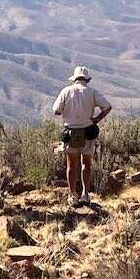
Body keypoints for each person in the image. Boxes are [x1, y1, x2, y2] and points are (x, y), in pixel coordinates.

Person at [52, 66, 112, 207]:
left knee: (71, 165)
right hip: (87, 131)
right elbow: (107, 107)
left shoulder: (66, 91)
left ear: (74, 79)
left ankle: (72, 195)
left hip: (70, 132)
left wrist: (68, 114)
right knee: (86, 163)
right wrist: (96, 119)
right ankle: (85, 194)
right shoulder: (92, 92)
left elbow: (56, 111)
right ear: (87, 79)